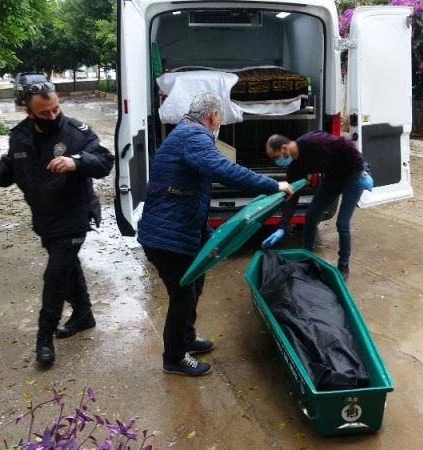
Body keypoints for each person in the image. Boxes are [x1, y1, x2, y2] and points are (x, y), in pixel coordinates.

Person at [138, 92, 294, 377]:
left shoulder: (185, 132)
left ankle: (185, 339)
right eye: (220, 119)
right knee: (183, 296)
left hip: (178, 229)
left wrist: (208, 233)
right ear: (212, 116)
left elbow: (189, 194)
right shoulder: (194, 136)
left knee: (194, 286)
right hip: (167, 236)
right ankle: (174, 358)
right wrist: (273, 185)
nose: (219, 124)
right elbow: (224, 170)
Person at [0, 82, 114, 366]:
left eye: (56, 109)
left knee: (55, 275)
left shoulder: (77, 132)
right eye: (44, 113)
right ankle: (84, 314)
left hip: (75, 215)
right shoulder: (20, 136)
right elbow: (11, 165)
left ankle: (44, 338)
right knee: (67, 266)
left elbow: (104, 161)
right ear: (28, 112)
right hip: (44, 217)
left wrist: (76, 162)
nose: (52, 116)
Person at [262, 132, 373, 280]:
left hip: (354, 176)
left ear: (284, 148)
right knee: (311, 216)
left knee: (342, 223)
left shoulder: (312, 142)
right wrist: (282, 226)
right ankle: (307, 257)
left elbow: (346, 143)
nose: (276, 161)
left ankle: (343, 265)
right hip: (332, 178)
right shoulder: (295, 166)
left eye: (275, 157)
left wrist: (361, 170)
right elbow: (292, 196)